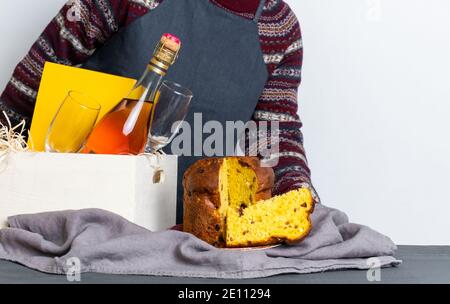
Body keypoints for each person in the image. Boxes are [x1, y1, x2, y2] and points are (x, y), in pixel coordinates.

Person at [0, 0, 319, 218]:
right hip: (76, 210)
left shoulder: (279, 27)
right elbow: (30, 85)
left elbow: (275, 134)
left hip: (189, 230)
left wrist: (299, 197)